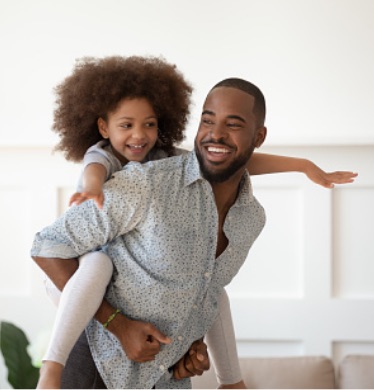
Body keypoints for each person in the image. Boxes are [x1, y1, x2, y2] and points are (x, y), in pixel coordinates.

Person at [33, 57, 357, 389]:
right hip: (98, 364)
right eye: (208, 120)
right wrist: (119, 326)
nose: (216, 134)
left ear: (258, 136)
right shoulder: (145, 181)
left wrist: (192, 348)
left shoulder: (250, 218)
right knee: (97, 263)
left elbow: (205, 293)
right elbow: (47, 247)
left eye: (233, 124)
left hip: (166, 376)